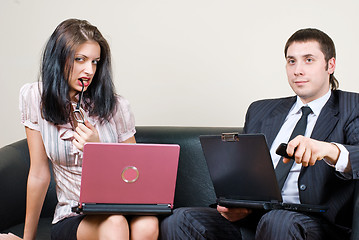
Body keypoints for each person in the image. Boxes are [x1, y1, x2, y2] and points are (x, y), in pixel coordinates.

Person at [160, 28, 359, 240]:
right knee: (181, 220)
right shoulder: (261, 110)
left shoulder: (352, 106)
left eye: (308, 60)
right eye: (291, 61)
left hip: (317, 224)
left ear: (330, 65)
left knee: (278, 221)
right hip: (257, 218)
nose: (298, 70)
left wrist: (328, 149)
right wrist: (238, 204)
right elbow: (244, 173)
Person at [18, 19, 159, 240]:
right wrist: (28, 239)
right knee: (115, 223)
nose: (89, 70)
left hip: (120, 205)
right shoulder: (35, 97)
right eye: (80, 59)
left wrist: (98, 150)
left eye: (95, 62)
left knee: (147, 224)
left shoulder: (117, 106)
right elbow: (38, 174)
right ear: (58, 59)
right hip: (74, 213)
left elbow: (134, 175)